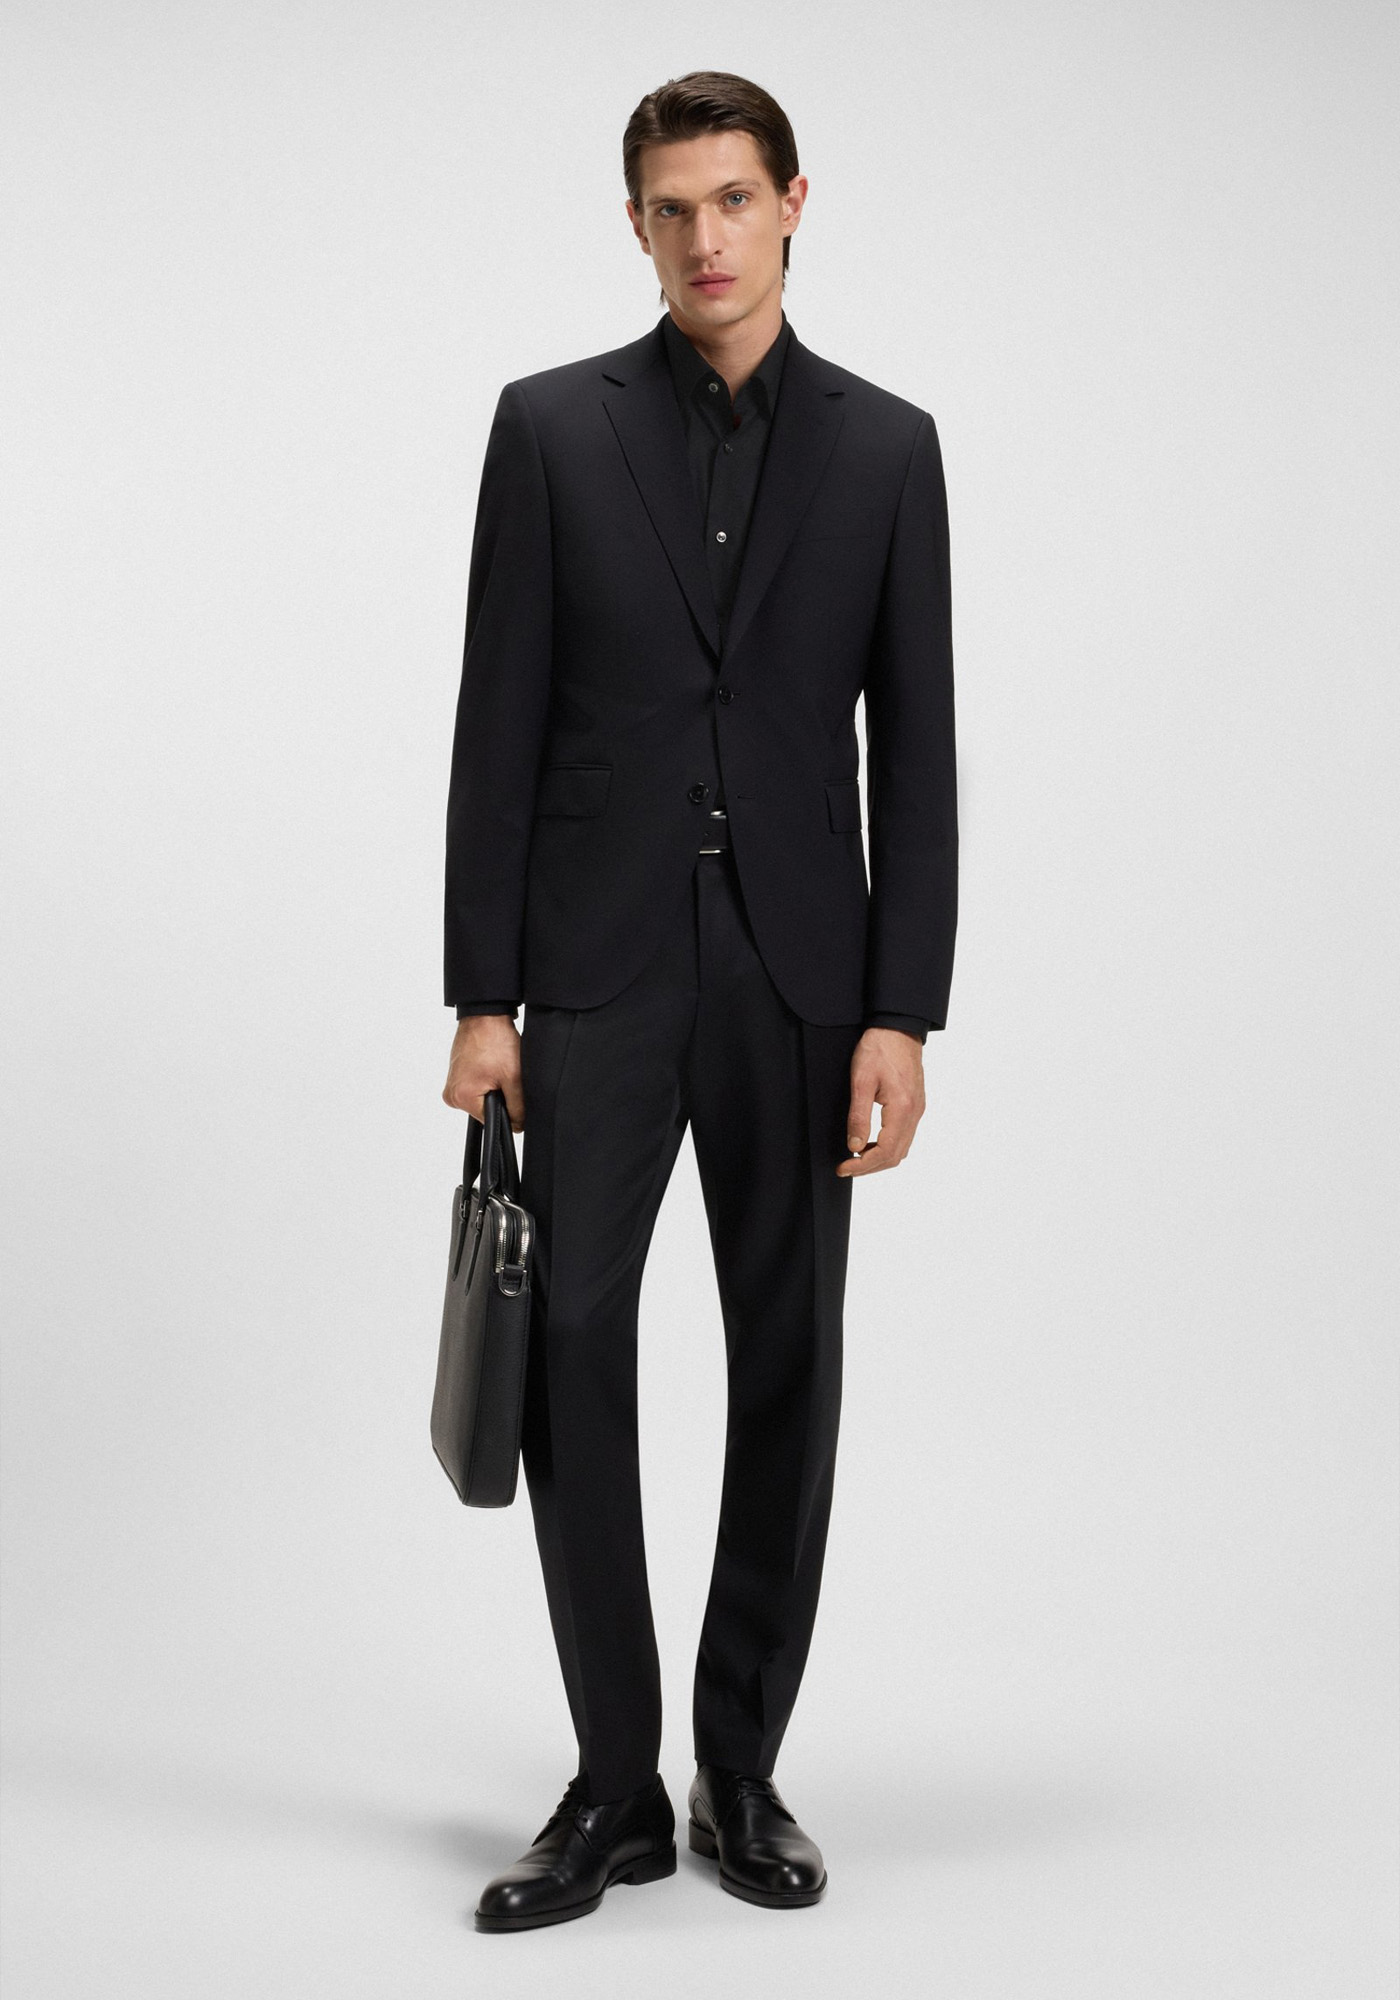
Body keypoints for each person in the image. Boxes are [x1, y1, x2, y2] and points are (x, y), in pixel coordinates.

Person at [441, 68, 957, 1932]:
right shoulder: (550, 431)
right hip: (595, 968)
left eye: (735, 199)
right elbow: (497, 726)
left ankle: (740, 1767)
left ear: (794, 202)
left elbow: (920, 747)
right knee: (573, 1350)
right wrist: (482, 995)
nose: (706, 239)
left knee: (788, 1361)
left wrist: (903, 1009)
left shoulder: (889, 450)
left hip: (804, 977)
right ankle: (614, 1784)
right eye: (672, 209)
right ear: (637, 227)